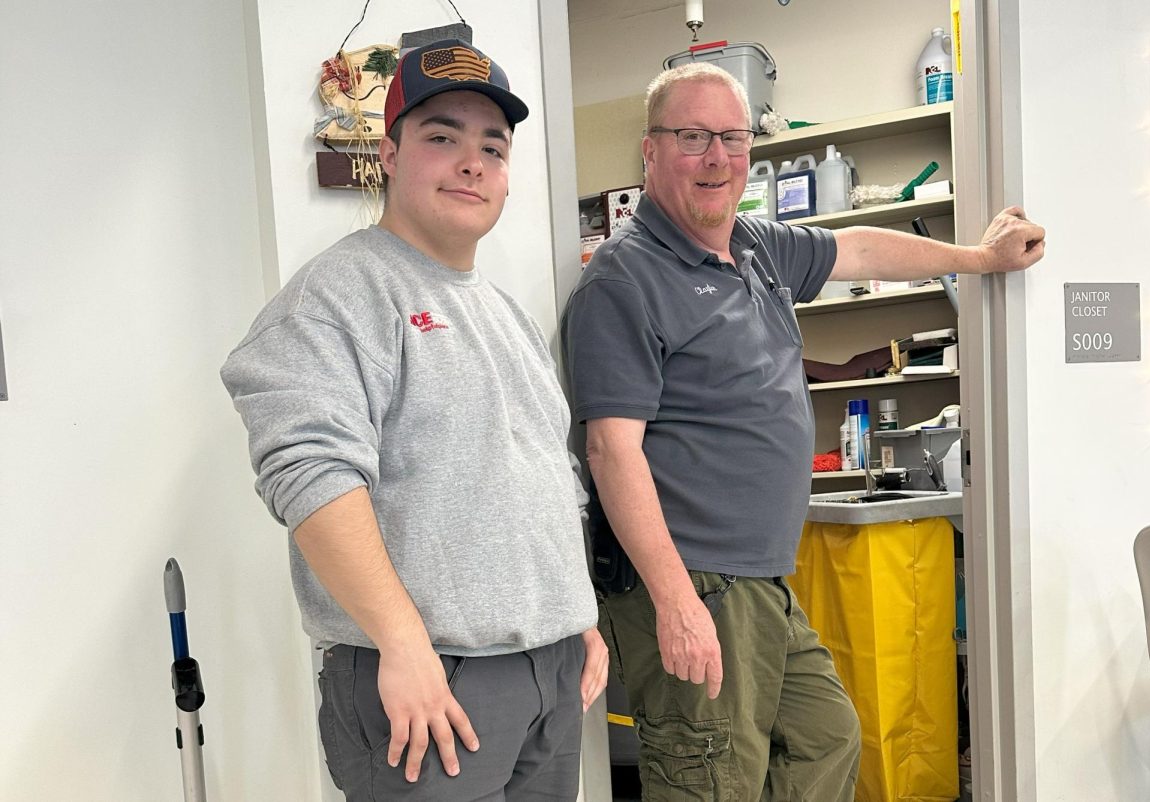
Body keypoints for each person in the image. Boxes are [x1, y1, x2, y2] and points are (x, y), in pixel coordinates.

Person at [562, 62, 1045, 801]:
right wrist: (675, 602)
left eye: (730, 137)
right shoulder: (625, 279)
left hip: (758, 579)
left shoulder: (753, 245)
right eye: (692, 137)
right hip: (695, 578)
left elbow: (860, 251)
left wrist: (978, 260)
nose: (716, 157)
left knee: (825, 737)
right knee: (711, 777)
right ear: (650, 151)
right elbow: (610, 450)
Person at [221, 38, 606, 801]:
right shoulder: (337, 295)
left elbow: (545, 471)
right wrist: (403, 645)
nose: (472, 163)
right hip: (430, 683)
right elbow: (310, 476)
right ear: (388, 156)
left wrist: (571, 612)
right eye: (441, 138)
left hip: (548, 673)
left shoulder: (504, 313)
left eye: (492, 148)